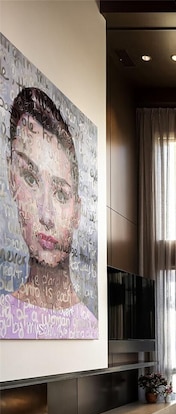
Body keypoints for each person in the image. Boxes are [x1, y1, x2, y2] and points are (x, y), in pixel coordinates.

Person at [0, 87, 97, 339]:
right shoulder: (3, 319)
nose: (46, 214)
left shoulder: (89, 327)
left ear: (77, 211)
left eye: (61, 194)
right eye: (31, 178)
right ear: (12, 179)